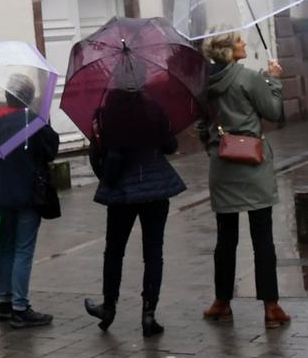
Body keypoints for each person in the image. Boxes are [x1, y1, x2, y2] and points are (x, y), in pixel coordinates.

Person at [198, 33, 289, 328]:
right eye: (239, 41)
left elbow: (202, 124)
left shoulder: (204, 84)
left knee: (226, 238)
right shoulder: (248, 78)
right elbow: (273, 111)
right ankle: (271, 307)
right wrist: (274, 80)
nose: (244, 44)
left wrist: (212, 146)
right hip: (253, 164)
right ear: (228, 50)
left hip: (222, 166)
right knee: (262, 237)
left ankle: (221, 302)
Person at [82, 89, 185, 336]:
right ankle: (149, 315)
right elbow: (170, 146)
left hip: (122, 191)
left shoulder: (106, 114)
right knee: (153, 252)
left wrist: (107, 178)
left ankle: (108, 308)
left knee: (114, 251)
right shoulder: (155, 109)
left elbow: (98, 154)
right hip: (155, 187)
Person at [0, 78, 59, 328]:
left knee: (8, 249)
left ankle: (5, 303)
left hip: (0, 196)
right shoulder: (33, 121)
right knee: (23, 250)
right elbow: (51, 150)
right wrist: (45, 121)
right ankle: (20, 308)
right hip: (27, 195)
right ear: (28, 98)